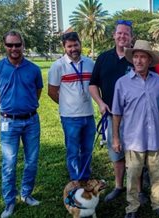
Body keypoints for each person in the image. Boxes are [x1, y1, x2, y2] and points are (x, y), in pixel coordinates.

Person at [89, 20, 146, 203]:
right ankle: (119, 186)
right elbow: (92, 85)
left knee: (136, 155)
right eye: (119, 33)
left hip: (135, 118)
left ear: (131, 37)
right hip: (112, 116)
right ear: (114, 35)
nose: (122, 36)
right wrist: (99, 102)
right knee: (117, 154)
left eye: (126, 33)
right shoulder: (104, 58)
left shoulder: (137, 59)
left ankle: (138, 190)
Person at [112, 40, 159, 218]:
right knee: (133, 176)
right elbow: (116, 112)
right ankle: (132, 207)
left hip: (155, 138)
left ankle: (157, 204)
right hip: (133, 138)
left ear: (149, 61)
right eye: (135, 57)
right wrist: (115, 137)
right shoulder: (122, 83)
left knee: (157, 174)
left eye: (142, 57)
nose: (138, 61)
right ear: (132, 60)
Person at [0, 30, 43, 218]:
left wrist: (27, 107)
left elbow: (38, 90)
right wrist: (2, 109)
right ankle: (9, 202)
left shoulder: (34, 69)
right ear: (4, 46)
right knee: (9, 164)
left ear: (23, 45)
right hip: (8, 123)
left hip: (31, 121)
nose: (14, 48)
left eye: (17, 44)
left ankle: (26, 194)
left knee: (32, 161)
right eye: (10, 45)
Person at [48, 32, 96, 182]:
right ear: (64, 48)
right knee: (73, 150)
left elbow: (95, 85)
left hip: (88, 114)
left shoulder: (90, 63)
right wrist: (66, 104)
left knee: (88, 149)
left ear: (80, 44)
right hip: (70, 117)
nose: (73, 48)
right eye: (69, 46)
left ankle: (85, 178)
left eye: (76, 45)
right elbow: (52, 92)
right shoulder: (58, 66)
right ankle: (76, 180)